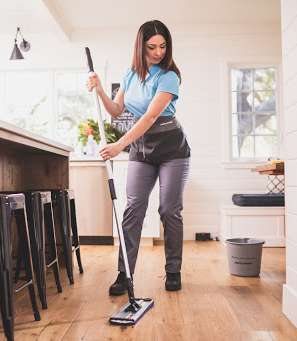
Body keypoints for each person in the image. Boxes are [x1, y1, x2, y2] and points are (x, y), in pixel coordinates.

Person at [85, 20, 190, 293]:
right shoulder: (131, 74)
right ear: (140, 47)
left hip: (172, 149)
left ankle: (173, 270)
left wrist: (120, 144)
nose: (158, 52)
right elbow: (116, 110)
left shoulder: (169, 76)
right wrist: (98, 89)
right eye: (152, 47)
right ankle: (125, 273)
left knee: (169, 209)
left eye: (163, 46)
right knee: (132, 211)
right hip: (142, 149)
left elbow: (151, 116)